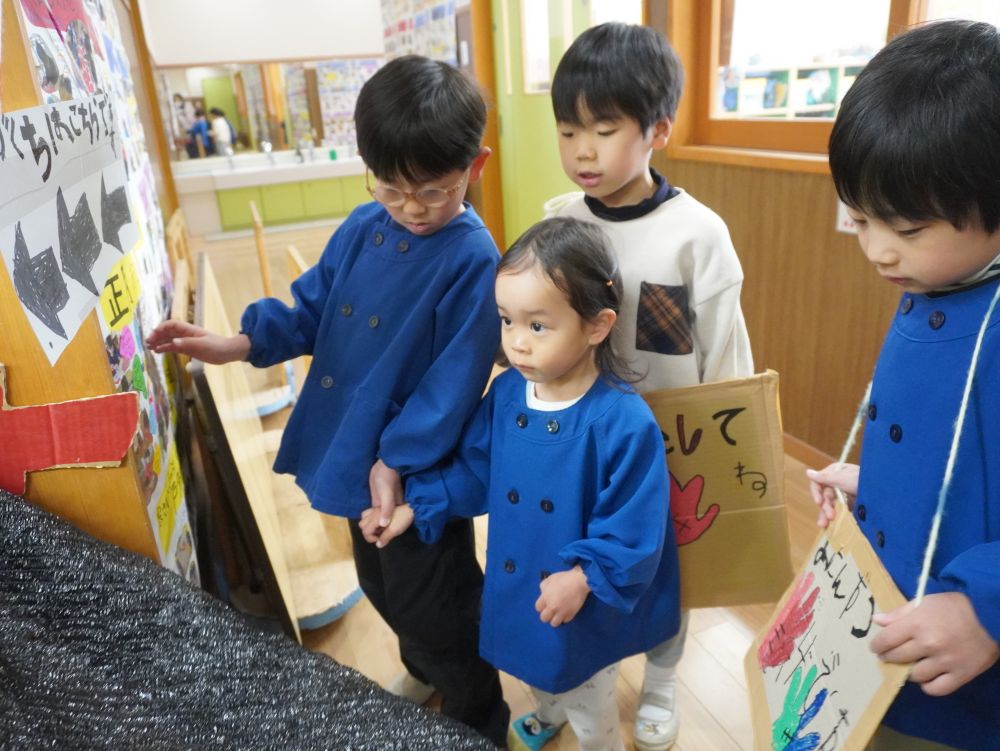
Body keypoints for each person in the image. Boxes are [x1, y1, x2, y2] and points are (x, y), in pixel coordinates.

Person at [146, 55, 510, 746]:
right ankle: (423, 668)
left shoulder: (472, 258)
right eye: (390, 187)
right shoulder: (362, 225)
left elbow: (453, 384)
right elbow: (308, 307)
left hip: (417, 471)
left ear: (476, 165)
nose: (409, 206)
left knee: (438, 602)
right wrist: (236, 342)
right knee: (377, 583)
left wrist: (397, 461)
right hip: (351, 447)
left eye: (431, 190)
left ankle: (477, 718)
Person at [361, 217, 681, 751]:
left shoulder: (623, 422)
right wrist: (417, 507)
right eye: (507, 321)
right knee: (531, 664)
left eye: (538, 326)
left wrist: (582, 578)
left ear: (597, 325)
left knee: (588, 693)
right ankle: (548, 710)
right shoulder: (508, 394)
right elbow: (476, 471)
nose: (516, 344)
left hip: (581, 596)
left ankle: (598, 742)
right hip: (518, 580)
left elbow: (634, 527)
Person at [544, 22, 754, 751]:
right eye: (568, 130)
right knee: (583, 554)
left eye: (604, 129)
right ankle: (578, 675)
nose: (582, 151)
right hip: (579, 439)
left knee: (669, 568)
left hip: (672, 442)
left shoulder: (697, 234)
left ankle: (663, 675)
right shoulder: (557, 223)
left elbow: (725, 357)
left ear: (658, 128)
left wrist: (726, 455)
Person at [807, 19, 1000, 751]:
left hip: (968, 674)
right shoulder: (941, 275)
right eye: (860, 220)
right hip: (892, 626)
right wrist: (881, 482)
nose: (878, 250)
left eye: (907, 227)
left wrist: (988, 606)